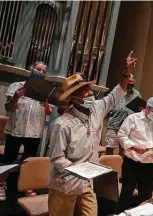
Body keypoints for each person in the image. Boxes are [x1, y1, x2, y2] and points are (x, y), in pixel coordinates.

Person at [47, 52, 135, 215]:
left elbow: (116, 94)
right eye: (84, 91)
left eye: (89, 89)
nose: (90, 93)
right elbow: (57, 158)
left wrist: (126, 73)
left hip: (86, 182)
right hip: (64, 184)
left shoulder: (97, 109)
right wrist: (78, 169)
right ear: (74, 98)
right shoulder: (62, 124)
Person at [1, 61, 52, 201]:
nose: (40, 72)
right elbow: (8, 108)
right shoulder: (16, 86)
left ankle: (27, 185)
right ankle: (2, 184)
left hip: (35, 130)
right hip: (16, 128)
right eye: (38, 69)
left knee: (29, 160)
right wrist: (16, 97)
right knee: (9, 158)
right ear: (31, 69)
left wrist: (47, 106)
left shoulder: (46, 91)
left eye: (43, 71)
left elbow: (48, 112)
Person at [115, 97, 153, 214]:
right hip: (132, 164)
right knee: (126, 197)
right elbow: (121, 135)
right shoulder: (133, 118)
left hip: (149, 166)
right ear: (147, 107)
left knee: (145, 198)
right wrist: (134, 146)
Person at [105, 59, 142, 156]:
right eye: (128, 81)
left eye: (132, 81)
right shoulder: (118, 91)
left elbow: (139, 108)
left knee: (124, 149)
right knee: (110, 148)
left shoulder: (137, 94)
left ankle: (120, 168)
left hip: (127, 127)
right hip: (114, 125)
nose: (130, 83)